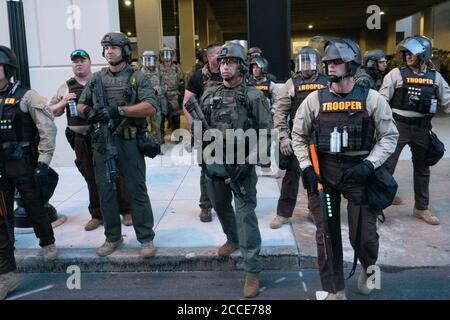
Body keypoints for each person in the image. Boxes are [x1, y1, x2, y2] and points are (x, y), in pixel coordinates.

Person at [291, 39, 398, 299]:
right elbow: (298, 136)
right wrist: (306, 167)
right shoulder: (314, 100)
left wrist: (369, 164)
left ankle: (371, 271)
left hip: (359, 173)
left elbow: (389, 136)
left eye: (336, 62)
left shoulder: (372, 98)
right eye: (328, 62)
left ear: (351, 64)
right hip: (324, 174)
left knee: (365, 237)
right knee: (326, 236)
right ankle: (334, 290)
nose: (330, 67)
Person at [197, 42, 272, 298]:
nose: (224, 66)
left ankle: (252, 270)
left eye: (230, 62)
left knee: (246, 216)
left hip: (242, 166)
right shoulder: (209, 94)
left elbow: (265, 133)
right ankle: (232, 238)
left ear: (240, 66)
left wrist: (250, 162)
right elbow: (200, 130)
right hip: (214, 163)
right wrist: (203, 161)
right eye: (222, 62)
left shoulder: (253, 96)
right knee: (220, 206)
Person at [77, 32, 158, 258]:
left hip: (129, 142)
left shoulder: (136, 76)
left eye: (113, 47)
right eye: (105, 47)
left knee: (137, 190)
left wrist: (119, 111)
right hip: (103, 142)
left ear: (124, 50)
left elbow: (150, 106)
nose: (109, 51)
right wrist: (91, 112)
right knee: (105, 191)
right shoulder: (96, 78)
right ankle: (112, 237)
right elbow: (81, 105)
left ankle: (146, 238)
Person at [49, 49, 132, 231]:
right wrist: (63, 101)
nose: (79, 64)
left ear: (89, 62)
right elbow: (51, 112)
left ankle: (126, 210)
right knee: (90, 176)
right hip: (81, 138)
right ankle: (97, 214)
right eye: (75, 61)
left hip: (104, 135)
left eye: (82, 60)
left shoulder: (101, 80)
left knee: (117, 172)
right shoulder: (66, 87)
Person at [1, 45, 60, 298]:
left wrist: (43, 162)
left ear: (8, 69)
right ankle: (7, 273)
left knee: (34, 206)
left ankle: (47, 242)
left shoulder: (28, 96)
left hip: (23, 163)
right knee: (2, 218)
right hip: (0, 167)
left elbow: (48, 129)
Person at [379, 35, 450, 225]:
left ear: (424, 55)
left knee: (423, 169)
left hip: (422, 128)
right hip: (397, 126)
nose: (408, 56)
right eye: (407, 53)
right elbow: (381, 101)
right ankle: (377, 205)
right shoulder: (395, 74)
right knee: (386, 166)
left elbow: (448, 100)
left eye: (412, 53)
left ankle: (421, 208)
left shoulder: (435, 77)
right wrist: (382, 125)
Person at [270, 46, 328, 229]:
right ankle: (283, 214)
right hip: (299, 136)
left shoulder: (328, 82)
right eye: (303, 61)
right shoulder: (291, 84)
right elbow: (280, 113)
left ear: (317, 64)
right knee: (292, 176)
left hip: (322, 136)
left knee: (320, 175)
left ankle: (316, 211)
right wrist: (283, 138)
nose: (306, 65)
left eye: (310, 61)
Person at [183, 42, 223, 223]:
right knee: (206, 170)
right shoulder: (199, 76)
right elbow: (187, 102)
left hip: (228, 130)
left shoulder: (231, 71)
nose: (222, 56)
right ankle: (206, 206)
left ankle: (225, 204)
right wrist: (194, 127)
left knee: (230, 167)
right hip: (205, 130)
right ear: (208, 57)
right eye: (217, 53)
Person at [247, 56, 280, 177]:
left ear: (263, 69)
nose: (255, 70)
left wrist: (273, 111)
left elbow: (278, 100)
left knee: (266, 141)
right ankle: (250, 167)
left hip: (266, 117)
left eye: (258, 67)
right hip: (251, 118)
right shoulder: (248, 84)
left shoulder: (270, 84)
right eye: (253, 67)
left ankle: (265, 168)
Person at [140, 50, 166, 144]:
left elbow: (164, 87)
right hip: (143, 105)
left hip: (156, 104)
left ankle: (156, 145)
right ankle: (146, 145)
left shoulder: (158, 72)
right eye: (146, 59)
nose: (148, 62)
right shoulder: (139, 73)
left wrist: (158, 90)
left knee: (156, 126)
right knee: (144, 126)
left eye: (150, 59)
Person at [159, 47, 184, 135]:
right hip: (161, 96)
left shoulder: (176, 68)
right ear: (161, 56)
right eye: (164, 54)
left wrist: (181, 95)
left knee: (176, 116)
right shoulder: (157, 68)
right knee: (160, 116)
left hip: (174, 96)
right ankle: (160, 135)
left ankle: (176, 134)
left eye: (168, 54)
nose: (166, 57)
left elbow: (181, 81)